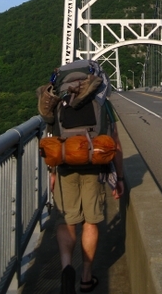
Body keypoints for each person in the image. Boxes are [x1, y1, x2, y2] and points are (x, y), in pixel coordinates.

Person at [50, 97, 124, 294]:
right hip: (94, 164)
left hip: (65, 165)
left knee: (66, 221)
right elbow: (115, 144)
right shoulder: (102, 101)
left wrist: (52, 172)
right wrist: (120, 177)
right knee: (90, 222)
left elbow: (52, 136)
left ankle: (67, 268)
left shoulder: (61, 99)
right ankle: (86, 278)